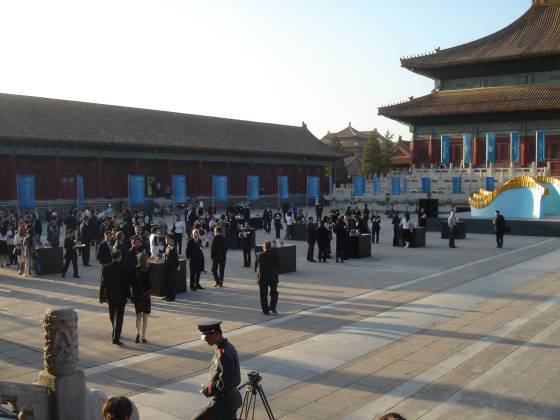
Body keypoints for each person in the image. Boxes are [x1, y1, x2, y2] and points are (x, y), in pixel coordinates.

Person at [193, 321, 242, 420]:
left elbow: (226, 381)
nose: (206, 340)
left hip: (225, 401)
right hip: (229, 399)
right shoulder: (223, 348)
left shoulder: (224, 353)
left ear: (217, 334)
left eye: (208, 336)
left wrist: (208, 389)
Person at [99, 250, 130, 345]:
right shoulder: (124, 268)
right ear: (119, 257)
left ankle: (115, 332)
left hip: (110, 296)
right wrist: (128, 295)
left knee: (112, 315)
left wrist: (101, 297)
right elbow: (126, 283)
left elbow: (103, 284)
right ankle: (116, 336)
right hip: (121, 296)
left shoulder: (105, 268)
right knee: (119, 317)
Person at [255, 240, 279, 314]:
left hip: (262, 277)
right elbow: (279, 266)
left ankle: (265, 310)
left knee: (263, 294)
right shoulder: (275, 255)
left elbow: (256, 266)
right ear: (270, 247)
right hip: (273, 277)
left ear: (264, 247)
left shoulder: (259, 255)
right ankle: (272, 307)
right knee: (274, 292)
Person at [132, 253, 151, 344]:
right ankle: (143, 336)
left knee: (138, 315)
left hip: (137, 295)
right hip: (146, 295)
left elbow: (133, 283)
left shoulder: (135, 269)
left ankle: (138, 333)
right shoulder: (148, 269)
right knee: (145, 316)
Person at [163, 234, 179, 302]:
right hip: (166, 268)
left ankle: (172, 297)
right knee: (166, 282)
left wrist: (175, 268)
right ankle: (167, 295)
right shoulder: (167, 247)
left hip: (171, 269)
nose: (166, 240)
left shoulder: (173, 247)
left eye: (168, 239)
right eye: (166, 239)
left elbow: (176, 259)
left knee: (171, 283)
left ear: (171, 240)